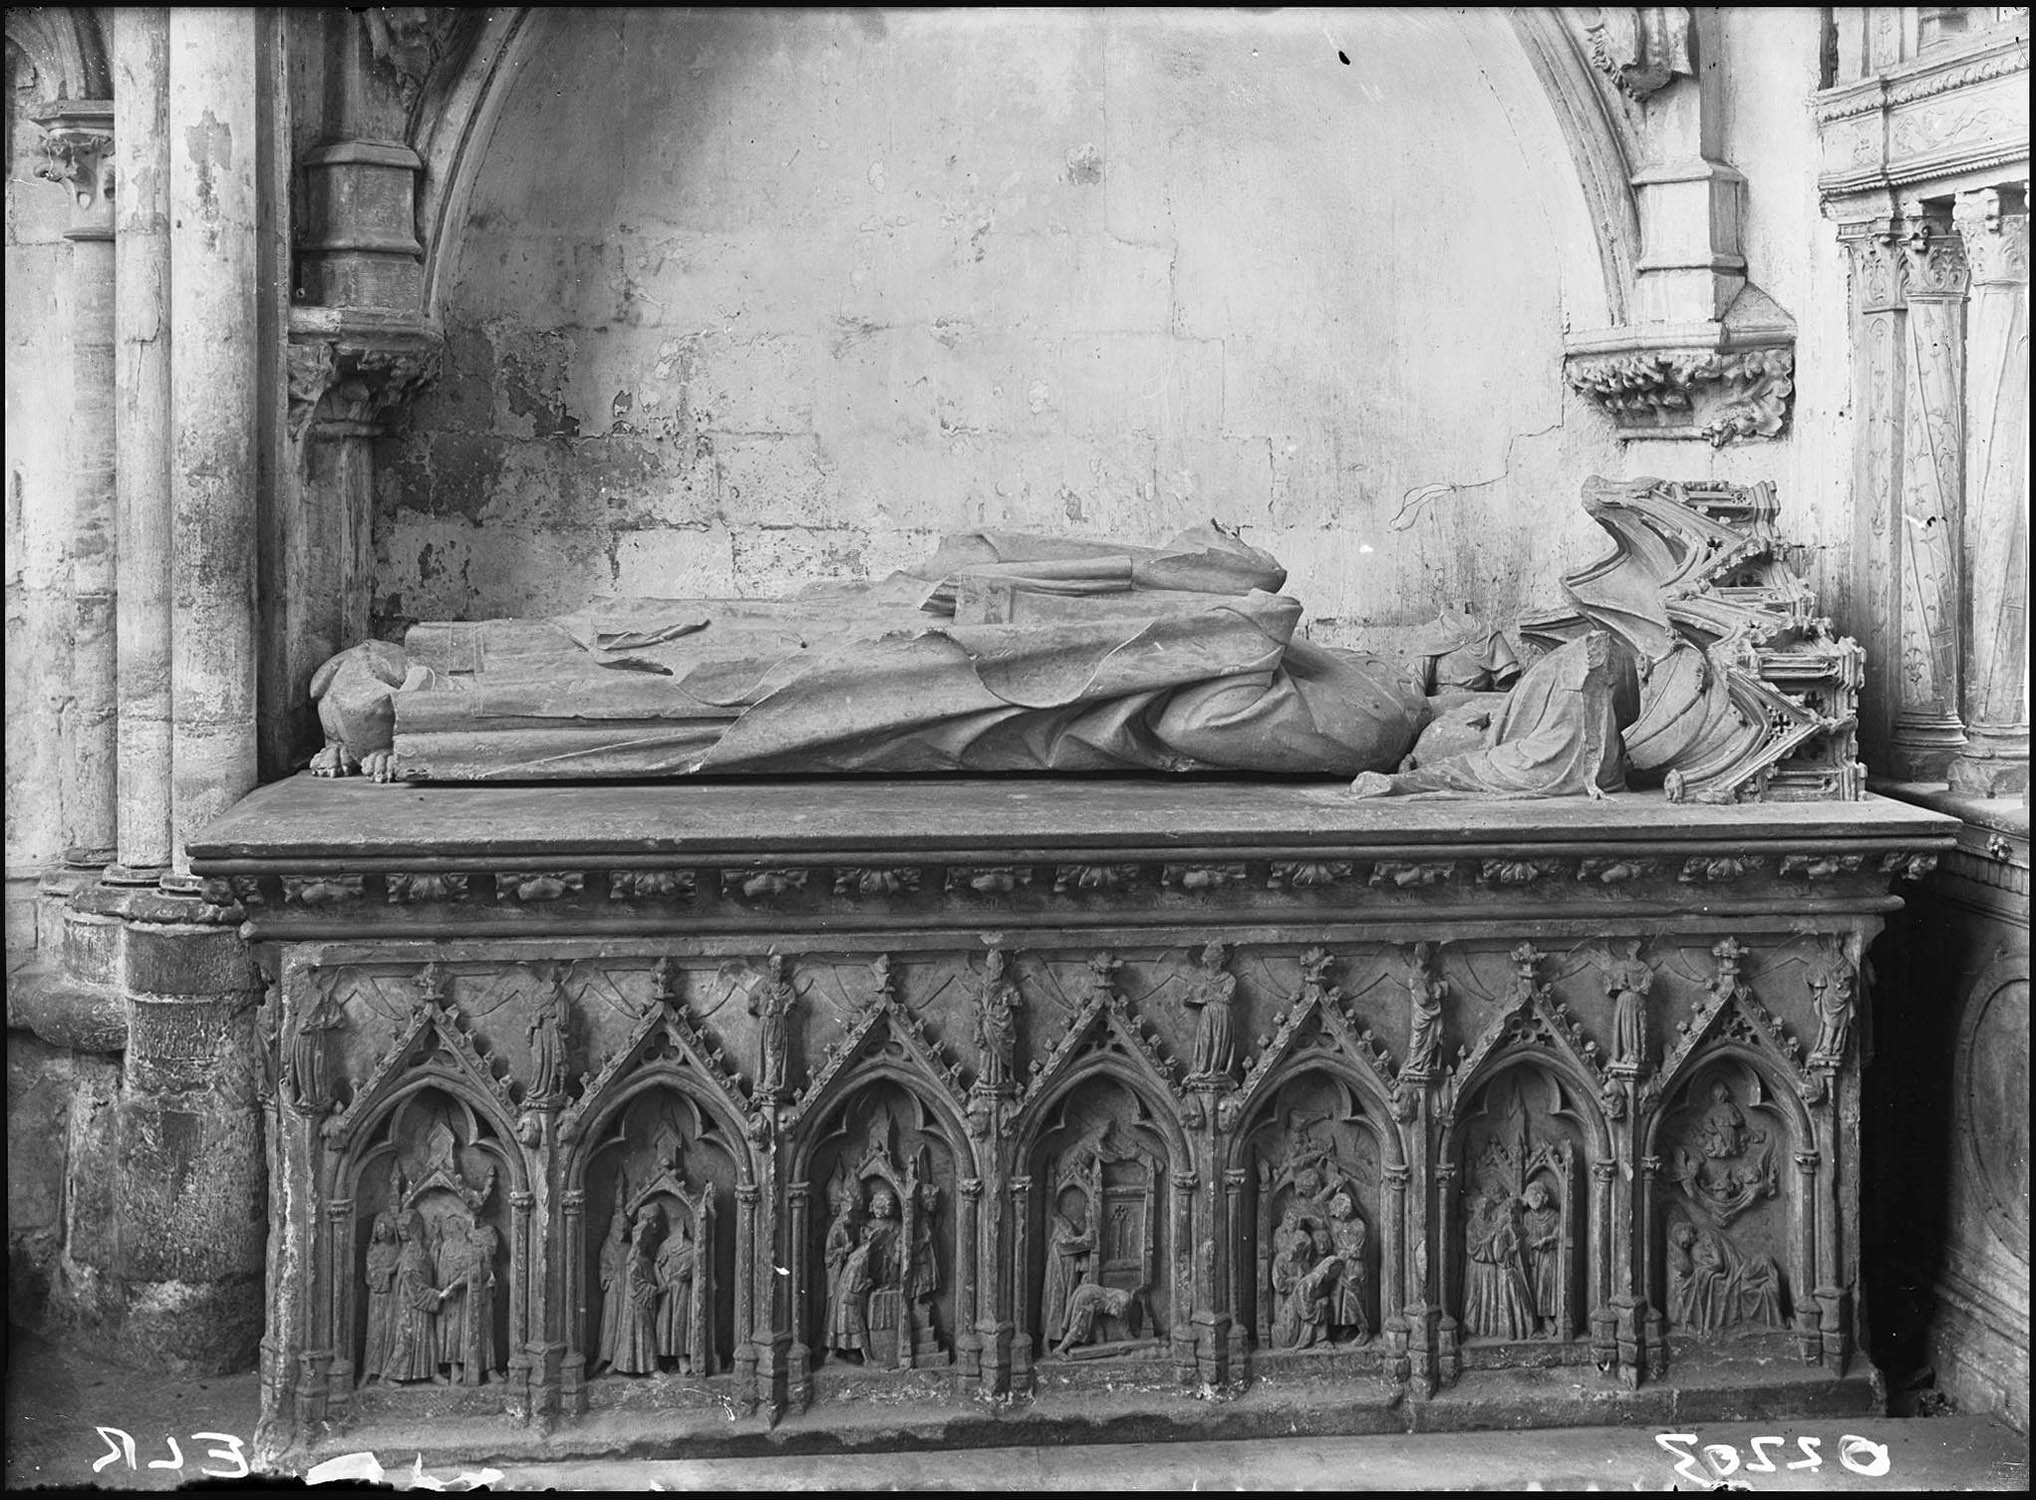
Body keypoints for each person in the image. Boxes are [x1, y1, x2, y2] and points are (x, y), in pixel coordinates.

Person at [312, 525, 1432, 781]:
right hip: (944, 632)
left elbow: (1190, 717)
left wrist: (1185, 643)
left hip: (949, 689)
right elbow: (1236, 574)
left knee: (728, 685)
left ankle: (438, 705)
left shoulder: (1361, 721)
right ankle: (442, 677)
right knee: (711, 638)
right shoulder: (1342, 685)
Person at [1462, 1187, 1534, 1341]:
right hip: (1479, 1268)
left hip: (1494, 1268)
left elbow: (1500, 1245)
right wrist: (1491, 1238)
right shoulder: (1471, 1226)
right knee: (1478, 1298)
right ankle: (1475, 1327)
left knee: (1493, 1300)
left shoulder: (1494, 1224)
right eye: (1481, 1208)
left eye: (1487, 1208)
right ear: (1476, 1208)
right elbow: (1473, 1248)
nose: (1483, 1211)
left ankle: (1492, 1328)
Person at [383, 1211, 446, 1384]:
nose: (402, 1233)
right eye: (400, 1229)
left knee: (426, 1337)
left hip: (421, 1298)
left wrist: (437, 1238)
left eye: (405, 1229)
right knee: (407, 1338)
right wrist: (435, 1295)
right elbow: (410, 1279)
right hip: (411, 1301)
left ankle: (431, 1372)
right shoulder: (408, 1251)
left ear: (414, 1228)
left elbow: (431, 1264)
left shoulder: (417, 1248)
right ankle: (390, 1375)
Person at [1326, 1193, 1370, 1345]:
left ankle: (1364, 1331)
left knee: (1354, 1300)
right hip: (1343, 1266)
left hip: (1354, 1266)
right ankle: (1348, 1328)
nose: (1338, 1217)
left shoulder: (1358, 1225)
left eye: (1339, 1214)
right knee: (1341, 1301)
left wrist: (1347, 1253)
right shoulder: (1342, 1226)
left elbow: (1359, 1250)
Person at [360, 1213, 400, 1382]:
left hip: (393, 1297)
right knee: (376, 1333)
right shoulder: (373, 1250)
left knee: (391, 1333)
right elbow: (370, 1275)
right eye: (379, 1229)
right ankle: (370, 1370)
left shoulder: (397, 1250)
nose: (381, 1233)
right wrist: (388, 1271)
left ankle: (387, 1373)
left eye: (385, 1229)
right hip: (378, 1297)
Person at [1519, 1183, 1562, 1339]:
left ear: (1544, 1197)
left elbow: (1559, 1234)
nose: (1533, 1198)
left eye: (1537, 1194)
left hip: (1548, 1256)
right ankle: (1532, 1320)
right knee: (1531, 1286)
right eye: (1530, 1195)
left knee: (1545, 1286)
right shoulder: (1526, 1217)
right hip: (1531, 1257)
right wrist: (1532, 1243)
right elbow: (1522, 1236)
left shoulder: (1554, 1216)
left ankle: (1546, 1318)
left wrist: (1548, 1240)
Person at [655, 1218, 696, 1373]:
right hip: (666, 1290)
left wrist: (679, 1275)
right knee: (665, 1321)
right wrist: (661, 1280)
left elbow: (688, 1271)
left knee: (679, 1321)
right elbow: (657, 1265)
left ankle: (681, 1357)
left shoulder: (690, 1248)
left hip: (681, 1289)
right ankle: (662, 1357)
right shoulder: (664, 1246)